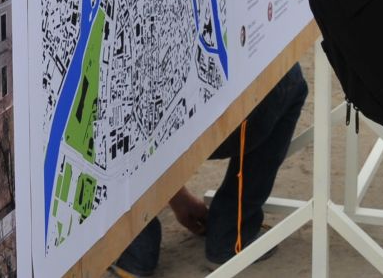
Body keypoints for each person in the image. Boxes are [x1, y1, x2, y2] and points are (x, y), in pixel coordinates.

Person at [107, 65, 308, 275]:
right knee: (288, 76)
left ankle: (135, 247)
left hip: (140, 130)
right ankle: (233, 230)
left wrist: (175, 195)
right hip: (206, 116)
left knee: (106, 94)